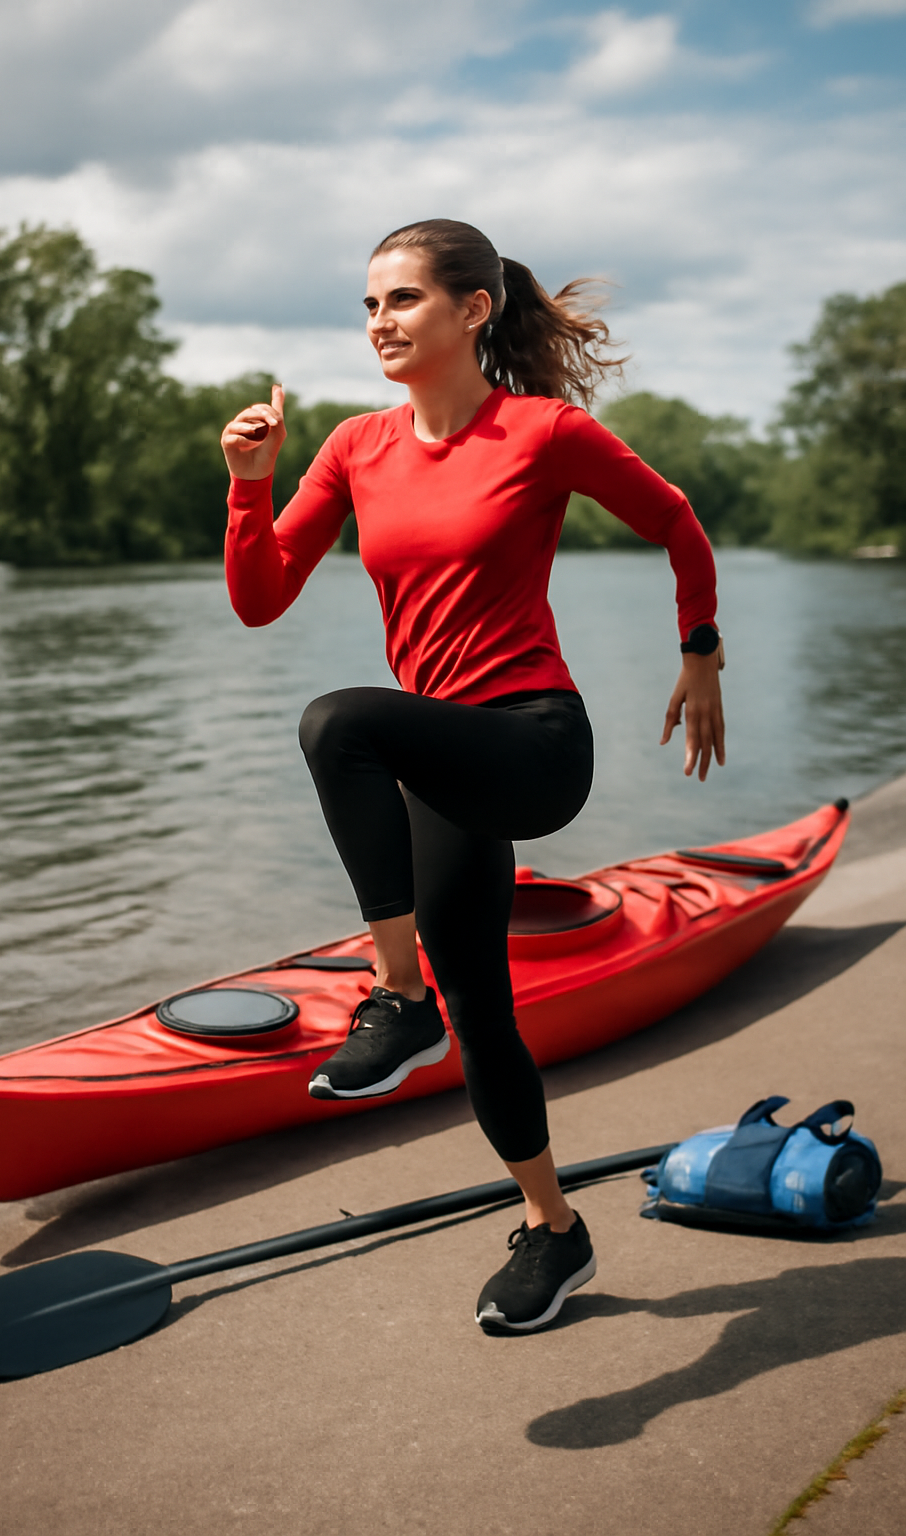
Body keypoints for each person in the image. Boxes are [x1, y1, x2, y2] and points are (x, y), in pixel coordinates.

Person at [220, 219, 724, 1334]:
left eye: (399, 300)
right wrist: (248, 486)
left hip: (533, 744)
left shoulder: (541, 433)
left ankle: (399, 1002)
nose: (378, 324)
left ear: (472, 310)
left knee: (336, 722)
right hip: (439, 758)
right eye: (366, 306)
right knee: (485, 1014)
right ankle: (555, 1230)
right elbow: (259, 599)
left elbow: (675, 519)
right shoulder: (355, 447)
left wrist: (700, 652)